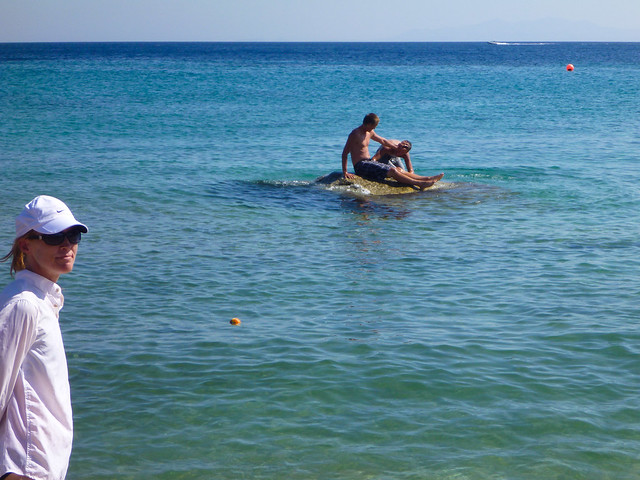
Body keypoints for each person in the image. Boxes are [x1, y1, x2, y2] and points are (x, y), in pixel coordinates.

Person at [0, 195, 88, 480]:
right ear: (26, 244)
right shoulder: (23, 305)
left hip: (42, 466)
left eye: (72, 235)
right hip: (26, 467)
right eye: (53, 237)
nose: (67, 245)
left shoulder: (43, 302)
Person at [341, 113, 444, 190]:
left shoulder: (370, 132)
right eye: (374, 125)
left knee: (399, 169)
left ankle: (426, 178)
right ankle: (419, 184)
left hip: (368, 162)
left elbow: (383, 141)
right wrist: (345, 171)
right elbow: (345, 153)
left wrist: (395, 147)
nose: (375, 128)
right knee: (393, 171)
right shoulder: (355, 134)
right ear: (368, 124)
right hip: (361, 166)